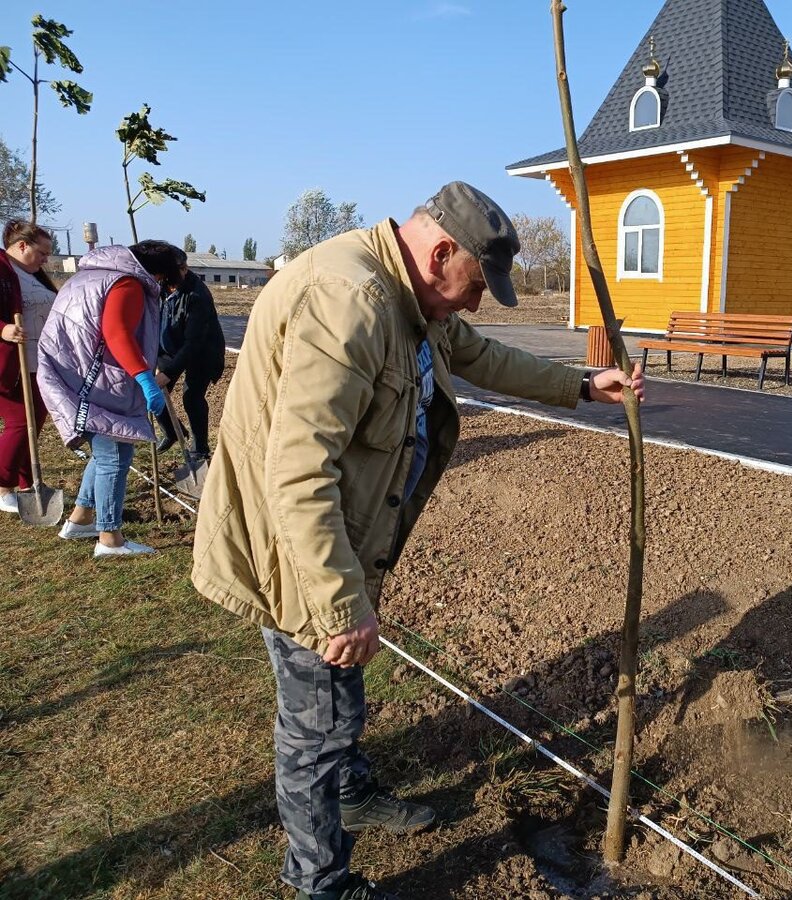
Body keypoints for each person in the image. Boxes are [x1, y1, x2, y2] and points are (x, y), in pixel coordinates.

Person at [191, 181, 645, 900]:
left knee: (339, 705)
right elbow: (299, 473)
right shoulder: (352, 303)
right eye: (473, 286)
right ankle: (321, 882)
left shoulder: (408, 296)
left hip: (326, 546)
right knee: (315, 728)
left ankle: (352, 791)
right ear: (439, 253)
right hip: (295, 558)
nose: (474, 304)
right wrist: (340, 603)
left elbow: (480, 354)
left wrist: (585, 386)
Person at [37, 241, 179, 557]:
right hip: (100, 383)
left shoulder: (90, 276)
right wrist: (144, 378)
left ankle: (81, 518)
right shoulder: (126, 283)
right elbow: (116, 333)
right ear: (157, 272)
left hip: (71, 373)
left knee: (104, 452)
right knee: (115, 454)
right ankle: (110, 537)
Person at [0, 221, 56, 513]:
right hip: (10, 362)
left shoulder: (27, 273)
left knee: (34, 422)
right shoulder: (2, 269)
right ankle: (3, 485)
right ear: (22, 246)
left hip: (36, 359)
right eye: (42, 252)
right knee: (22, 421)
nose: (46, 259)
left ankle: (26, 482)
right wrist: (3, 329)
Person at [153, 246, 225, 457]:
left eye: (185, 267)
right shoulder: (160, 286)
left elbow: (194, 343)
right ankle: (173, 431)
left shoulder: (197, 295)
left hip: (202, 351)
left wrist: (167, 373)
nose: (184, 272)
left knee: (191, 396)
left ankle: (200, 449)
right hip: (172, 348)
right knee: (152, 391)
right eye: (179, 268)